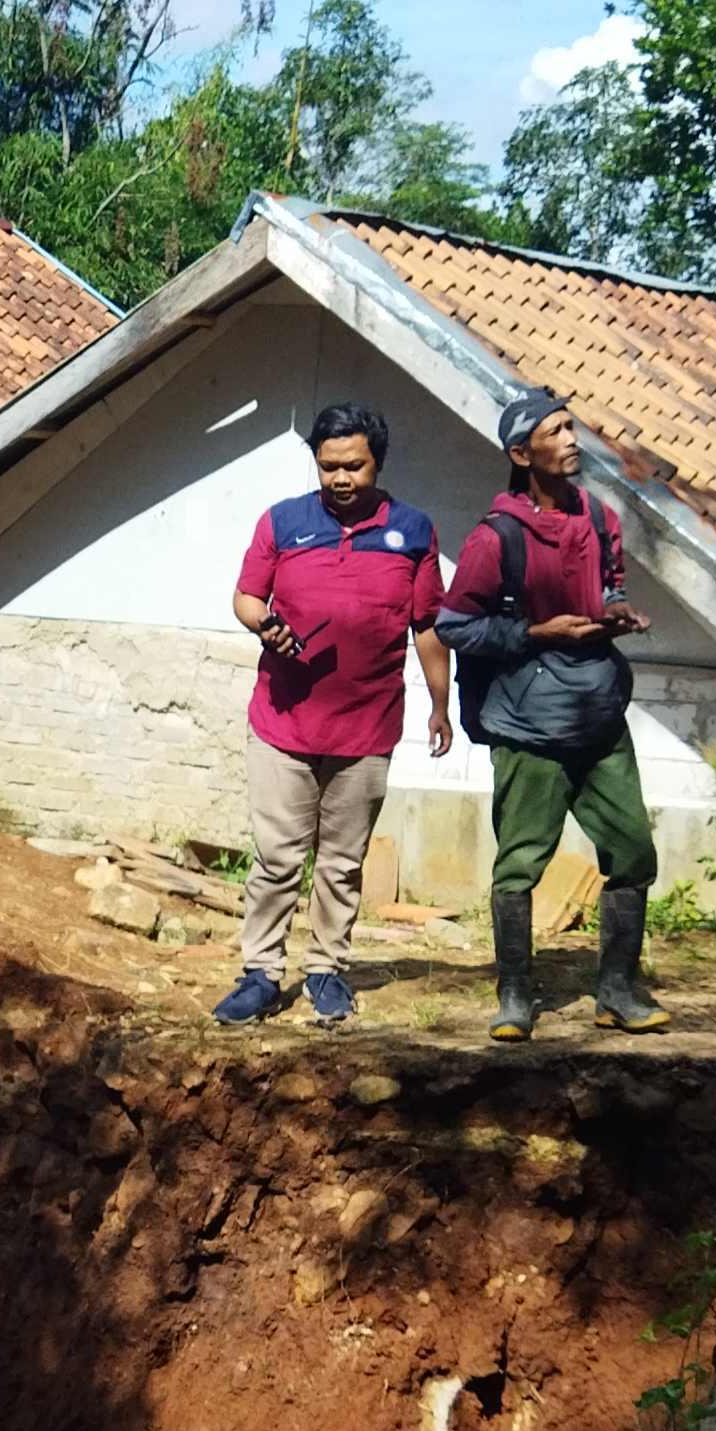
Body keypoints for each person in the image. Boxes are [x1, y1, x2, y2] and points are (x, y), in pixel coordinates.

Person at [437, 391, 669, 1038]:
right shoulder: (497, 537)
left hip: (598, 715)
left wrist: (617, 611)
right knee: (520, 863)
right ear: (520, 454)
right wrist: (536, 634)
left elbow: (610, 585)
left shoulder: (599, 517)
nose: (572, 440)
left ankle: (618, 990)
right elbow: (455, 625)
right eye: (555, 432)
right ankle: (515, 996)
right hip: (528, 725)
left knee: (632, 853)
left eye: (571, 428)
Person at [216, 402, 451, 1025]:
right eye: (328, 467)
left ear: (378, 462)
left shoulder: (415, 532)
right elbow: (245, 596)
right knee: (277, 860)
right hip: (282, 723)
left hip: (367, 729)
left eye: (353, 466)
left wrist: (440, 704)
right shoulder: (282, 522)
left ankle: (326, 972)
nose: (340, 479)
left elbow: (427, 626)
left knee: (343, 865)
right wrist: (265, 625)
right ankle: (261, 973)